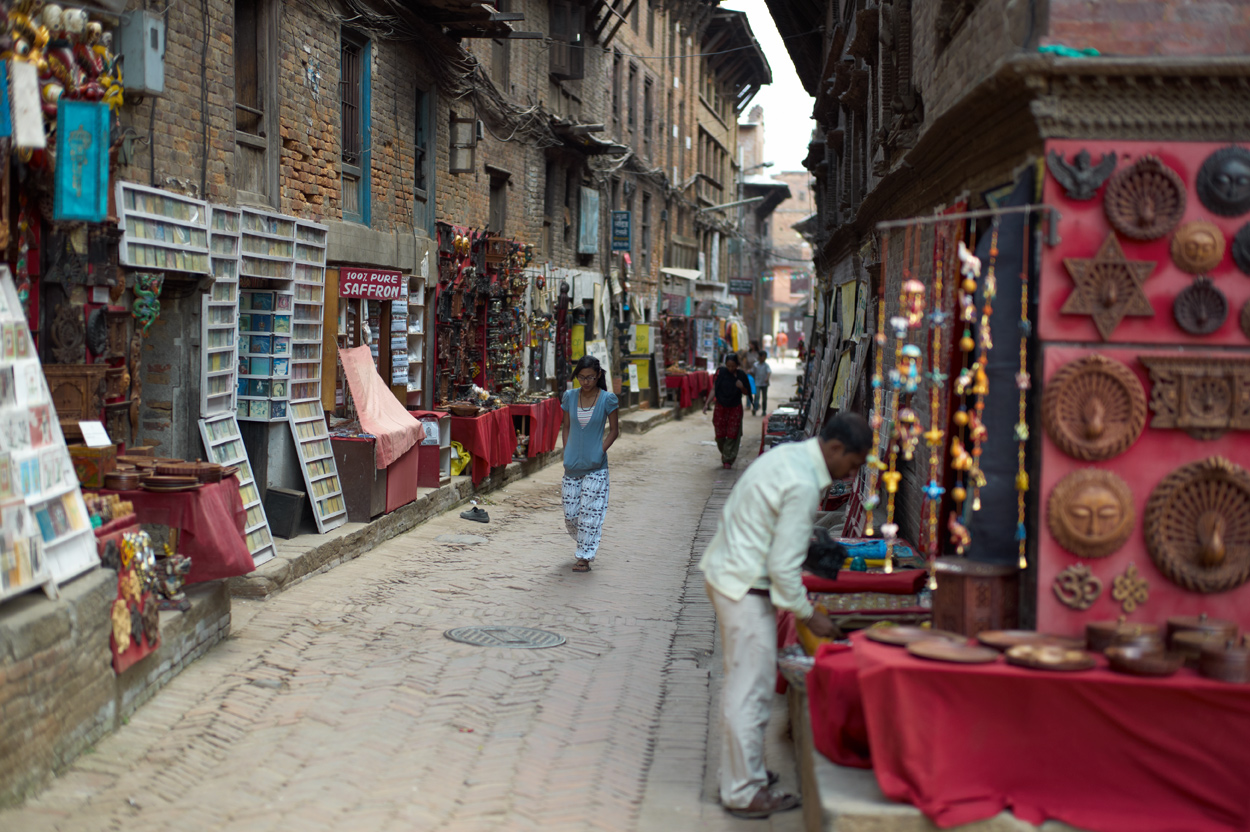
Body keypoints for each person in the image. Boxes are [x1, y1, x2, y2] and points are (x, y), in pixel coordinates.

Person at [700, 413, 871, 819]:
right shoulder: (801, 482)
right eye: (854, 462)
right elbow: (782, 569)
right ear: (834, 449)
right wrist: (809, 615)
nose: (853, 471)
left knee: (745, 685)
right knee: (751, 690)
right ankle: (743, 791)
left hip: (733, 575)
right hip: (742, 585)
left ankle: (743, 775)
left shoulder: (795, 458)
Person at [560, 355, 620, 573]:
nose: (585, 382)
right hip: (572, 465)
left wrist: (599, 450)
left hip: (596, 467)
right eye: (581, 377)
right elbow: (566, 427)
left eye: (590, 378)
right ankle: (586, 538)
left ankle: (584, 556)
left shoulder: (608, 399)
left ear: (599, 376)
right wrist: (566, 451)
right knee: (571, 514)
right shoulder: (569, 397)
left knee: (590, 513)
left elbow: (614, 430)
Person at [703, 353, 752, 468]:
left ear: (737, 365)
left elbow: (747, 392)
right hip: (721, 407)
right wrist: (707, 404)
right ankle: (726, 454)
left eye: (733, 366)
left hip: (735, 407)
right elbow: (714, 389)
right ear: (725, 365)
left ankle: (728, 459)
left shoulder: (741, 375)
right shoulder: (720, 373)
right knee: (720, 434)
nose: (730, 368)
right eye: (728, 366)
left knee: (732, 433)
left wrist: (741, 387)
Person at [752, 350, 772, 416]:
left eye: (765, 357)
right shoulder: (755, 365)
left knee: (764, 398)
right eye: (763, 356)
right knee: (756, 396)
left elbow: (769, 372)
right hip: (757, 383)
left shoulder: (766, 365)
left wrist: (767, 378)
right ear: (760, 357)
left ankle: (764, 410)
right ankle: (755, 408)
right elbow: (752, 372)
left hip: (764, 384)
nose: (764, 358)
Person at [740, 342, 758, 412]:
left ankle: (755, 405)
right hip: (748, 372)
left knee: (757, 389)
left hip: (757, 373)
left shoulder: (758, 353)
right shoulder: (747, 353)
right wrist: (744, 367)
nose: (750, 346)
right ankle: (748, 404)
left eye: (751, 344)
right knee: (748, 388)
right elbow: (740, 359)